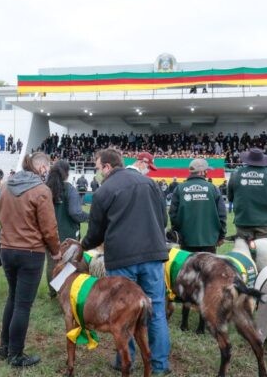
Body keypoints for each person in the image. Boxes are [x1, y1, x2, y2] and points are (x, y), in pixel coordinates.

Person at [81, 149, 171, 374]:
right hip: (152, 255)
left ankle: (125, 360)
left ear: (108, 167)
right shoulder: (149, 184)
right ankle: (160, 365)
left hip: (122, 259)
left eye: (98, 167)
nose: (98, 172)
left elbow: (95, 233)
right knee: (157, 309)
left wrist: (82, 246)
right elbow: (164, 218)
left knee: (122, 312)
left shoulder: (104, 192)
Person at [0, 152, 59, 368]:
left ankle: (4, 347)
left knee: (12, 298)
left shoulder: (5, 186)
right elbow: (49, 229)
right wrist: (56, 251)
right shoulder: (41, 190)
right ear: (42, 168)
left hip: (6, 249)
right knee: (23, 304)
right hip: (30, 252)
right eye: (47, 168)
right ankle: (16, 354)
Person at [44, 159, 89, 297]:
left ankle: (53, 292)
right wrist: (90, 217)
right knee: (69, 263)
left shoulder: (45, 189)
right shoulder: (69, 189)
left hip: (48, 233)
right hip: (68, 234)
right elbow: (75, 212)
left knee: (52, 262)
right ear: (66, 173)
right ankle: (64, 292)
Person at [228, 148, 267, 241]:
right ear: (262, 160)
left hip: (243, 220)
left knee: (244, 252)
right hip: (265, 222)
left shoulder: (235, 174)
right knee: (264, 252)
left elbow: (230, 197)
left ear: (248, 159)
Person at [169, 158, 226, 253]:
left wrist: (177, 233)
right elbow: (222, 215)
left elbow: (173, 215)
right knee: (208, 268)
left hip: (186, 240)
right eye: (206, 170)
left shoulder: (179, 189)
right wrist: (222, 235)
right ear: (202, 172)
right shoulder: (213, 188)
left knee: (189, 267)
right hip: (209, 240)